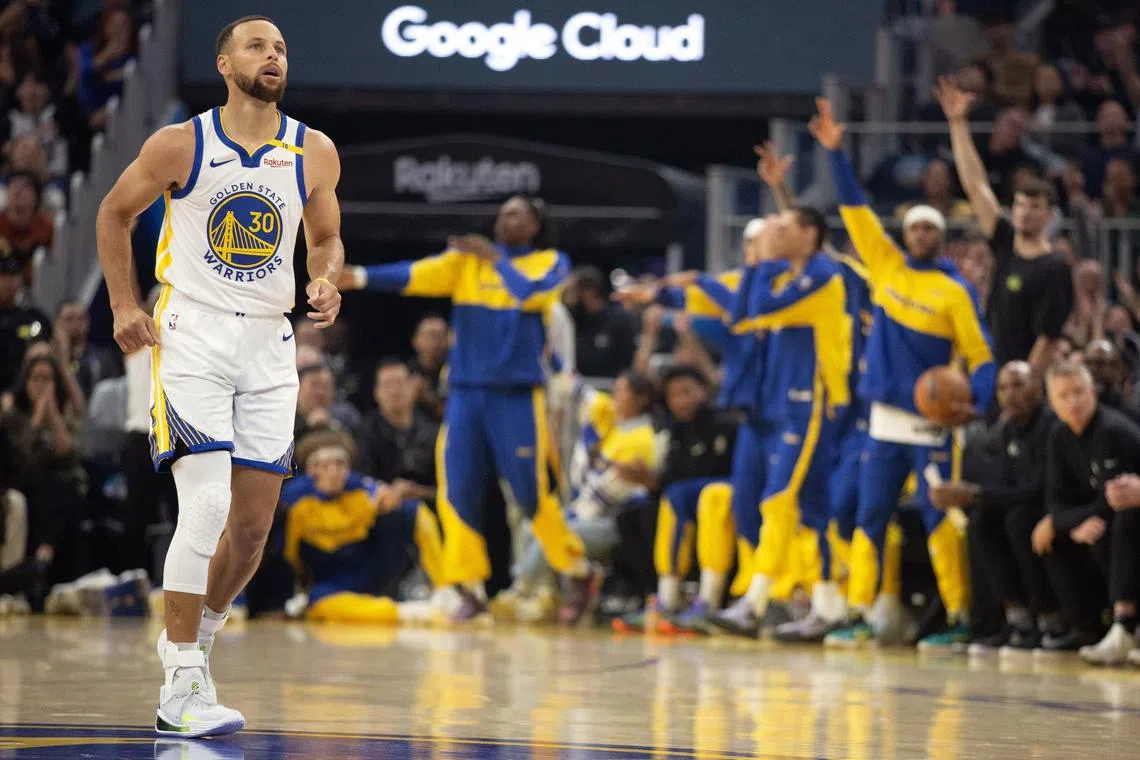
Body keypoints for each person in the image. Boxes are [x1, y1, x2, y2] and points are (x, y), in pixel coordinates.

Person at [95, 15, 344, 737]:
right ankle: (178, 681)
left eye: (282, 48)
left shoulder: (313, 151)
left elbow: (326, 238)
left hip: (270, 342)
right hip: (192, 332)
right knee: (203, 506)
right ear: (225, 63)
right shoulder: (182, 143)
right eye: (258, 46)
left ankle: (197, 652)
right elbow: (113, 214)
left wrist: (325, 280)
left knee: (254, 526)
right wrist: (121, 303)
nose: (274, 55)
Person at [335, 195, 597, 622]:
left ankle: (577, 570)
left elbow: (528, 294)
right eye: (502, 212)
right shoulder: (465, 265)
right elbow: (414, 275)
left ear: (535, 225)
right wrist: (360, 276)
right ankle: (469, 587)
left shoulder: (551, 262)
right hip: (464, 395)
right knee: (457, 490)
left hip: (516, 396)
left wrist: (492, 257)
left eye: (516, 213)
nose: (503, 218)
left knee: (531, 496)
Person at [818, 97, 996, 651]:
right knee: (868, 517)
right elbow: (853, 210)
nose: (919, 235)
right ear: (905, 232)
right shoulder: (885, 266)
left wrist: (978, 404)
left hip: (935, 421)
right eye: (913, 227)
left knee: (943, 521)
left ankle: (960, 616)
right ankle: (864, 612)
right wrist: (835, 154)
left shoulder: (954, 291)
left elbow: (983, 356)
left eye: (928, 229)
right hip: (884, 419)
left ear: (940, 237)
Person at [707, 205, 852, 640]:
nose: (774, 233)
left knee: (778, 498)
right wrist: (759, 262)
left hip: (813, 401)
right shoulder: (792, 275)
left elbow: (758, 308)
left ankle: (754, 603)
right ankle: (829, 607)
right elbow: (744, 314)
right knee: (813, 508)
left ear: (810, 235)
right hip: (790, 404)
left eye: (784, 229)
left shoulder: (823, 275)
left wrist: (761, 260)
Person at [493, 371, 658, 626]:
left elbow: (608, 495)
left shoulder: (642, 437)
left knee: (553, 531)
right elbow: (581, 391)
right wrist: (554, 360)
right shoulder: (614, 427)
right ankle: (547, 595)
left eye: (622, 391)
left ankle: (521, 587)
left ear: (641, 399)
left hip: (611, 522)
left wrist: (567, 516)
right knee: (531, 526)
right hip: (585, 515)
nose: (615, 395)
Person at [940, 77, 1073, 374]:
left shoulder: (1054, 267)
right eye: (1021, 205)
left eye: (1035, 207)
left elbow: (1049, 339)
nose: (1025, 213)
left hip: (1022, 382)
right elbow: (975, 186)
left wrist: (1023, 384)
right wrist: (958, 124)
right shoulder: (1004, 240)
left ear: (1050, 216)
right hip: (992, 369)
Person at [929, 362, 1060, 652]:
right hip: (1023, 509)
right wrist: (965, 497)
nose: (1010, 394)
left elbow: (1038, 491)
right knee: (982, 522)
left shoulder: (1052, 426)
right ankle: (1015, 618)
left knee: (1018, 520)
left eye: (1018, 385)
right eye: (1002, 388)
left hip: (1053, 510)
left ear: (1038, 389)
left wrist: (976, 494)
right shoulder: (1002, 431)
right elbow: (1001, 489)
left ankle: (1048, 616)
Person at [280, 429, 445, 624]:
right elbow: (287, 555)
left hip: (367, 567)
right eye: (323, 465)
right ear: (310, 469)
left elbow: (387, 497)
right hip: (328, 580)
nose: (332, 473)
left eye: (339, 464)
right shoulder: (292, 500)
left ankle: (446, 590)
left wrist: (389, 499)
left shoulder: (362, 488)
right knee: (323, 606)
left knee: (413, 511)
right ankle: (404, 612)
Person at [1041, 361, 1140, 664]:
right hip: (1102, 517)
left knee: (1119, 521)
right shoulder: (1059, 435)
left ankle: (1125, 626)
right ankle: (1081, 625)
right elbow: (1055, 504)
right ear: (1052, 402)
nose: (1073, 402)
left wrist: (1073, 520)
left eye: (1079, 392)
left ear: (1093, 392)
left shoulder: (1114, 431)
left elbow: (1115, 498)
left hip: (1127, 516)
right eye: (1064, 395)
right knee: (1046, 534)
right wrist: (1070, 524)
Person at [355, 358, 438, 505]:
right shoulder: (364, 433)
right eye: (387, 385)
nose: (394, 391)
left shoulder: (433, 431)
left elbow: (447, 488)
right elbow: (360, 482)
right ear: (376, 393)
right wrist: (389, 492)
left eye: (400, 383)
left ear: (413, 388)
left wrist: (418, 492)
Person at [563, 266, 638, 379]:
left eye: (575, 292)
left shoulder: (619, 320)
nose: (573, 298)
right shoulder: (571, 320)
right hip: (578, 387)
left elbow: (629, 361)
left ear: (590, 292)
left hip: (611, 388)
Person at [0, 248, 51, 392]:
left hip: (22, 394)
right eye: (3, 275)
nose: (8, 282)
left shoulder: (33, 317)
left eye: (13, 275)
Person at [294, 362, 361, 438]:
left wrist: (333, 427)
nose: (321, 392)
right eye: (314, 385)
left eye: (326, 386)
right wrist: (306, 428)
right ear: (298, 389)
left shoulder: (346, 419)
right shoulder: (285, 418)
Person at [1083, 339, 1140, 425]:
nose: (1093, 370)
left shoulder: (1129, 413)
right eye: (1088, 363)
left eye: (1100, 363)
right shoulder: (1077, 411)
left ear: (1116, 367)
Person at [407, 314, 449, 421]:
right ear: (415, 340)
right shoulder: (405, 372)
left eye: (439, 336)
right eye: (429, 336)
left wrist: (429, 398)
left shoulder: (456, 372)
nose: (434, 343)